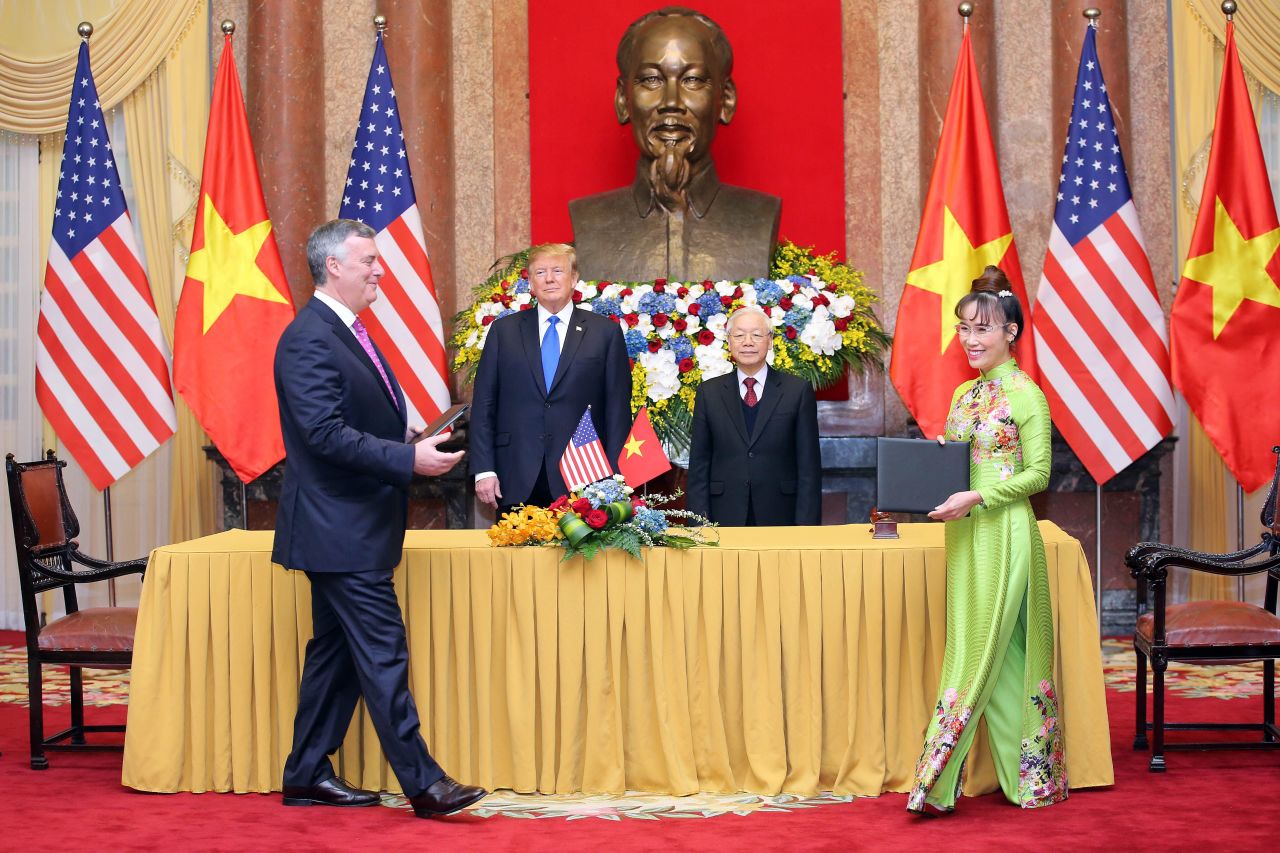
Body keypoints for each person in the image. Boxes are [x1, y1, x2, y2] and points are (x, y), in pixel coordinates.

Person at [273, 219, 488, 819]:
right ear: (333, 266)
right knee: (382, 650)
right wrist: (406, 458)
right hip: (338, 529)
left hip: (354, 526)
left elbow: (354, 419)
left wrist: (413, 435)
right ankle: (425, 784)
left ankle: (306, 772)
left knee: (335, 654)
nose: (378, 270)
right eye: (368, 259)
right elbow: (320, 435)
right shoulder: (309, 337)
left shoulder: (347, 330)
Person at [906, 266, 1067, 814]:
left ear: (1011, 333)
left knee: (984, 648)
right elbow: (954, 461)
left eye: (983, 329)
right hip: (966, 536)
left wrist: (977, 497)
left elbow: (1039, 475)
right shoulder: (961, 394)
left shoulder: (1028, 395)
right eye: (964, 329)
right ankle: (1030, 779)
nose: (971, 340)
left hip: (1005, 530)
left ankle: (937, 780)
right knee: (993, 650)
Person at [568, 6, 780, 282]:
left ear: (725, 100)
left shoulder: (760, 216)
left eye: (692, 80)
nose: (671, 102)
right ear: (623, 100)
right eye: (651, 80)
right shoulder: (589, 219)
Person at [469, 242, 632, 513]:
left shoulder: (605, 334)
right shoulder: (504, 332)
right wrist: (484, 469)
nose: (550, 279)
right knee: (517, 556)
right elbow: (485, 404)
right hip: (516, 473)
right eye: (540, 272)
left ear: (574, 278)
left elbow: (617, 409)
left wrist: (616, 477)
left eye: (558, 270)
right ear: (530, 282)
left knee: (581, 557)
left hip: (585, 476)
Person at [687, 306, 820, 526]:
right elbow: (699, 466)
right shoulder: (708, 393)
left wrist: (805, 528)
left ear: (770, 341)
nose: (748, 342)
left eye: (757, 335)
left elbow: (809, 468)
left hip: (780, 515)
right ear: (729, 342)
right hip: (724, 515)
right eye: (739, 335)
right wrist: (699, 525)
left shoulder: (796, 391)